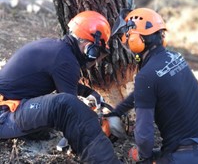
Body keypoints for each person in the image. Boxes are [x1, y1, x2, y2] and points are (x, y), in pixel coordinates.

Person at [109, 8, 198, 163]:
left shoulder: (146, 76)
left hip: (191, 158)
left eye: (126, 40)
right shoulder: (175, 58)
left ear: (136, 41)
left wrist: (144, 157)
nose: (126, 45)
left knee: (142, 155)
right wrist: (118, 111)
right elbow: (146, 92)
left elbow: (144, 135)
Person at [0, 10, 121, 163]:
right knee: (66, 106)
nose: (96, 60)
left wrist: (88, 92)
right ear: (90, 48)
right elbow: (70, 110)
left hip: (9, 107)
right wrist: (96, 121)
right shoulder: (66, 61)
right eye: (98, 53)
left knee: (62, 107)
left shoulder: (56, 49)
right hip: (4, 115)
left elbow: (61, 81)